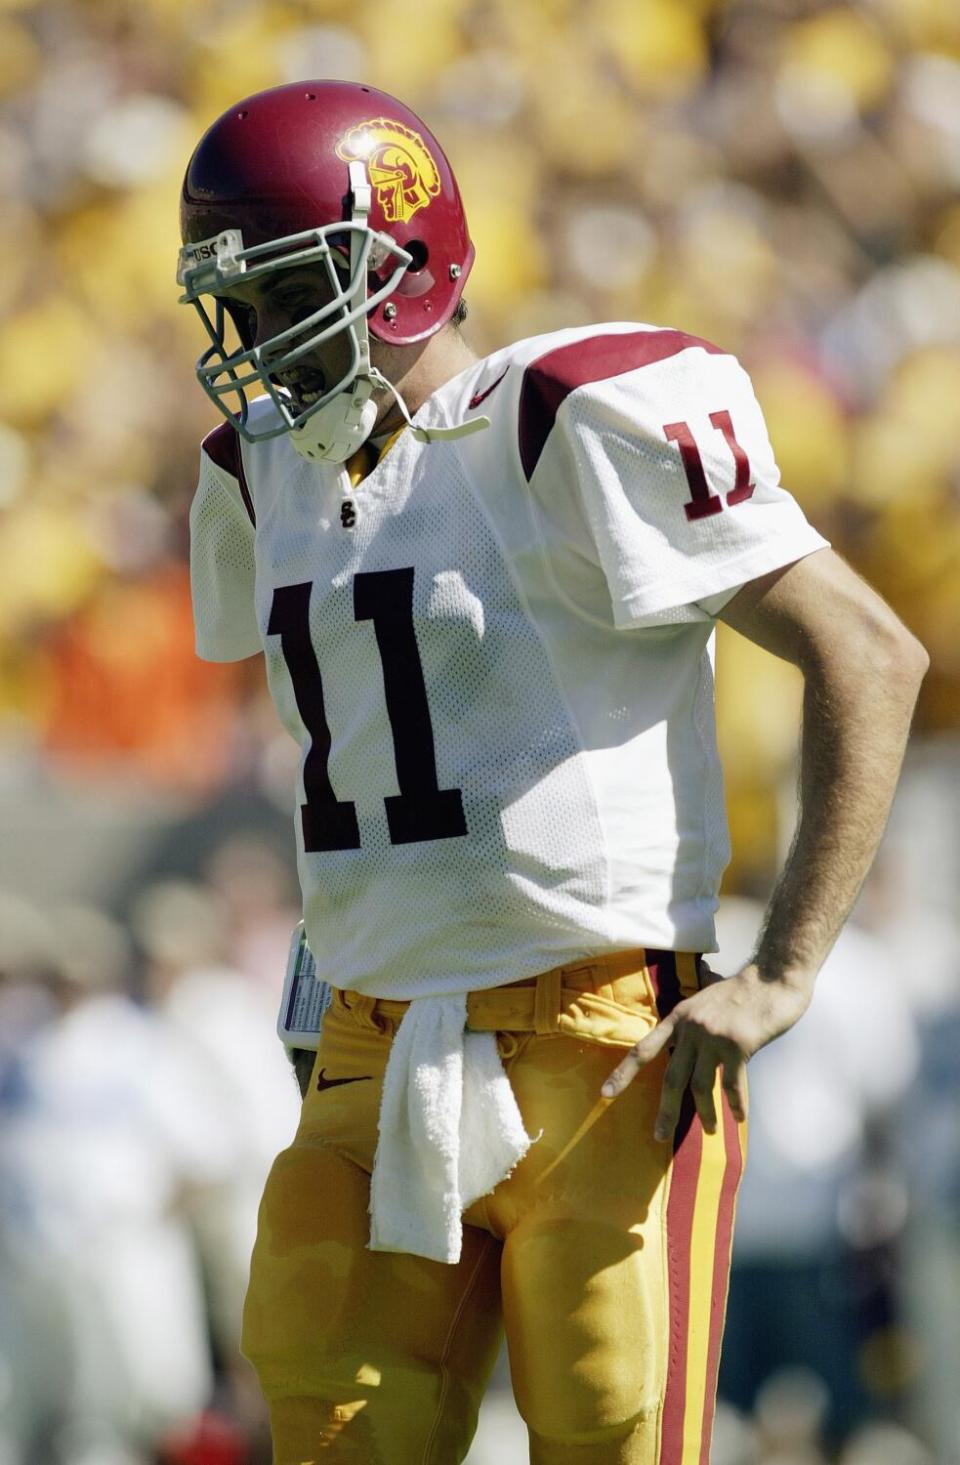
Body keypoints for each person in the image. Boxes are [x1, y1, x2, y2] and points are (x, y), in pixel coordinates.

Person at [177, 80, 928, 1465]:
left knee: (615, 1433)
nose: (259, 347)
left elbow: (870, 653)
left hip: (603, 1044)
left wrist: (781, 970)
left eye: (285, 296)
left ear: (394, 266)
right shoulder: (254, 477)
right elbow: (339, 758)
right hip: (364, 1047)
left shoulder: (564, 418)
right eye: (239, 307)